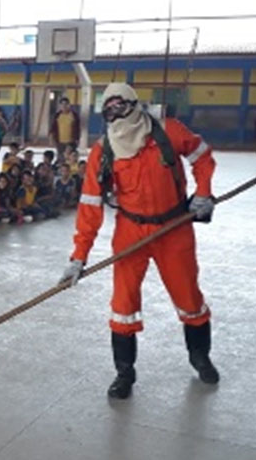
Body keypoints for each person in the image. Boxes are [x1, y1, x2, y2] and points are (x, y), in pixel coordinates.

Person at [59, 82, 219, 400]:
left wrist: (203, 192)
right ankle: (124, 373)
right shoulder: (103, 152)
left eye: (120, 107)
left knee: (189, 297)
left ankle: (200, 356)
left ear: (135, 106)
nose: (115, 116)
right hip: (130, 232)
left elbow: (203, 157)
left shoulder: (168, 133)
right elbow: (90, 206)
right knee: (123, 305)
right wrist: (79, 256)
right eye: (108, 110)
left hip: (174, 228)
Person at [49, 96, 80, 164]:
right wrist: (52, 138)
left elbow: (77, 128)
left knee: (71, 158)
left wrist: (77, 139)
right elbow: (53, 128)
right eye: (62, 104)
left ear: (69, 105)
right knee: (61, 159)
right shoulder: (57, 115)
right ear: (60, 106)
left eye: (66, 104)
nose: (64, 106)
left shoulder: (74, 115)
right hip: (60, 142)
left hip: (71, 142)